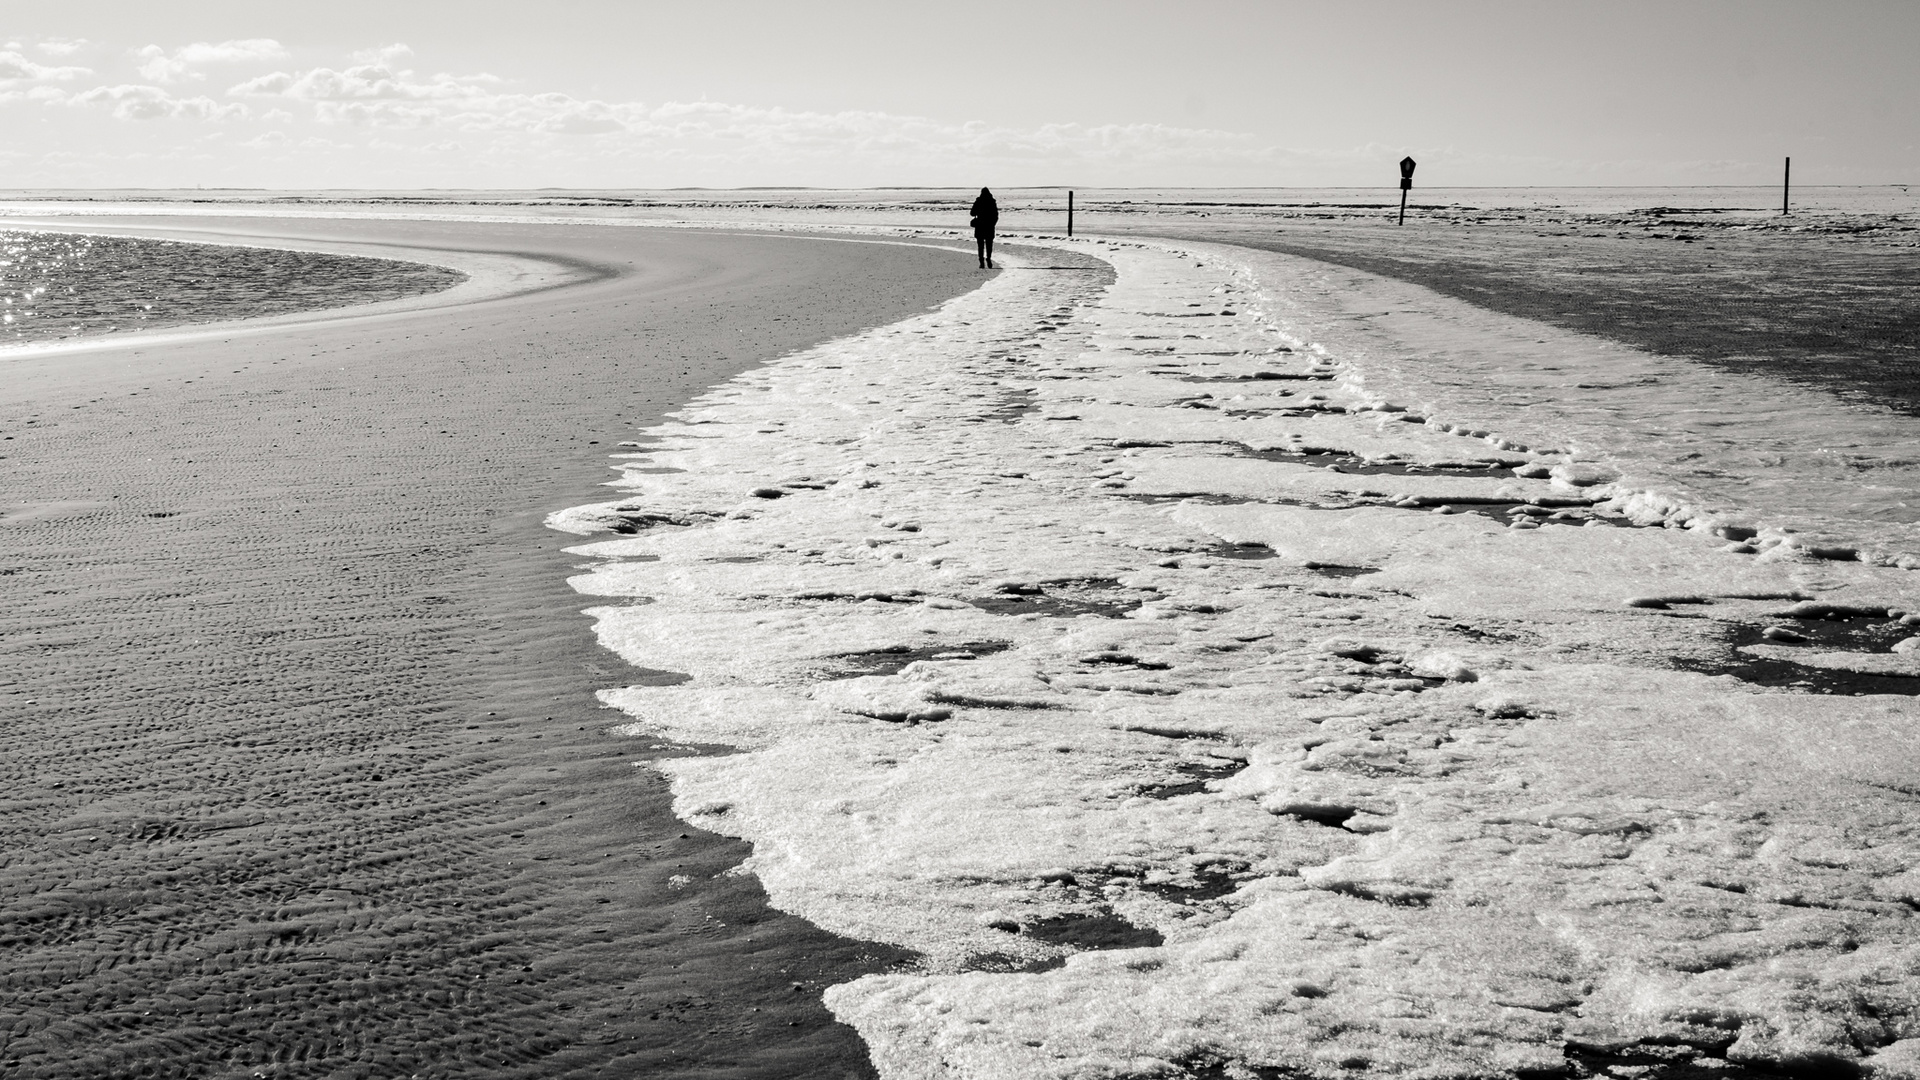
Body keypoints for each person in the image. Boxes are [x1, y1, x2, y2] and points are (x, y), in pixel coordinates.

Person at [969, 187, 999, 269]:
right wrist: (993, 223)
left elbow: (972, 213)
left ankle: (981, 262)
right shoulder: (992, 201)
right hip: (989, 226)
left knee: (980, 245)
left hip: (980, 226)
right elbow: (996, 215)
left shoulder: (978, 201)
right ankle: (988, 258)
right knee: (989, 245)